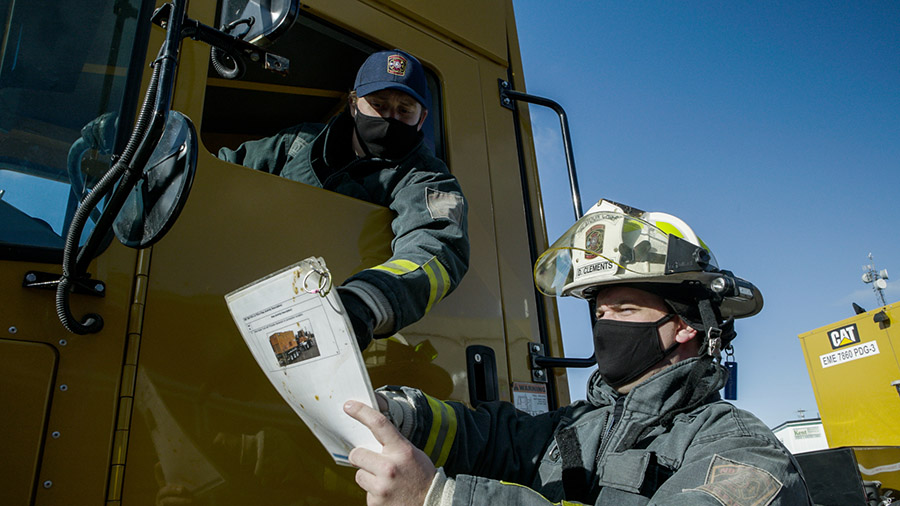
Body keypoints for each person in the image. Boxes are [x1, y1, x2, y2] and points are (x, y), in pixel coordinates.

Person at [343, 199, 814, 505]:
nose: (606, 327)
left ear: (687, 324)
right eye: (600, 314)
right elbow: (491, 438)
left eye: (625, 310)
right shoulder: (578, 426)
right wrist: (398, 414)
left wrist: (441, 498)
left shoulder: (741, 450)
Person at [218, 49, 469, 350]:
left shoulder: (427, 179)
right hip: (239, 296)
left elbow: (436, 247)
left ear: (422, 118)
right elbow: (220, 174)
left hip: (336, 332)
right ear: (353, 104)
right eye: (378, 105)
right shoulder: (298, 144)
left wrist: (365, 302)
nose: (391, 117)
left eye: (405, 110)